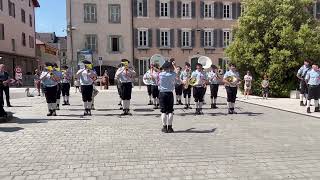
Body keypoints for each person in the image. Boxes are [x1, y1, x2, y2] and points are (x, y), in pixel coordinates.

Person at [158, 61, 176, 133]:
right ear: (169, 68)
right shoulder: (172, 74)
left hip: (162, 93)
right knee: (170, 111)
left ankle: (164, 127)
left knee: (163, 111)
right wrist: (174, 66)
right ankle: (170, 127)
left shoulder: (160, 74)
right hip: (169, 93)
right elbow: (177, 72)